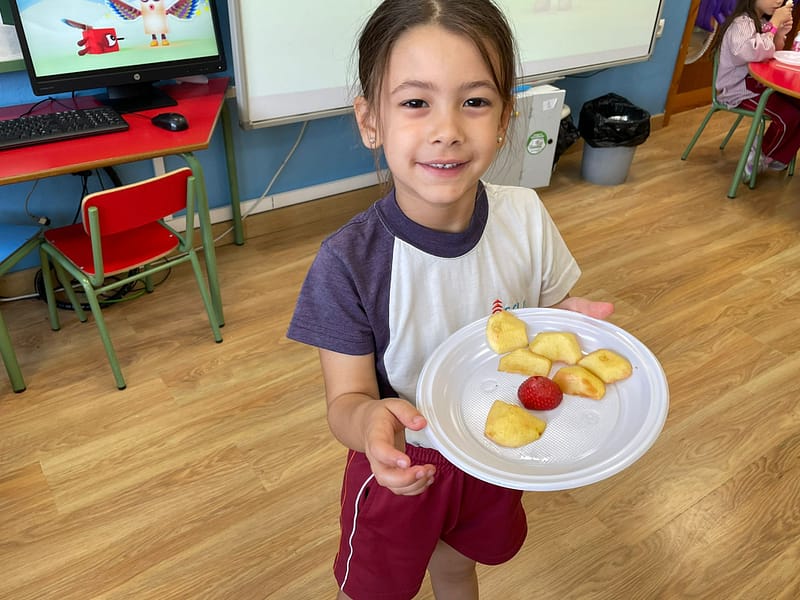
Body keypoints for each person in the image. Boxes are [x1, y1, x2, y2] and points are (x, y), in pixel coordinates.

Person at [287, 1, 613, 598]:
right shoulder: (348, 264)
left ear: (506, 118)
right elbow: (346, 402)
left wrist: (573, 332)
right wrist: (369, 422)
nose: (448, 129)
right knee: (375, 590)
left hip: (494, 451)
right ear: (370, 121)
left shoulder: (526, 216)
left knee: (460, 564)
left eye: (475, 101)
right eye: (416, 102)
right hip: (405, 465)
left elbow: (549, 328)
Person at [712, 0, 800, 179]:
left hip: (757, 85)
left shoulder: (761, 22)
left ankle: (777, 153)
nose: (778, 1)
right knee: (789, 116)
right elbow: (752, 52)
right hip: (738, 90)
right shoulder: (741, 23)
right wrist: (774, 24)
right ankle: (760, 154)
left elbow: (770, 51)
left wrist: (779, 33)